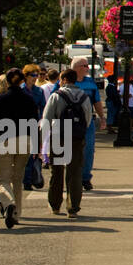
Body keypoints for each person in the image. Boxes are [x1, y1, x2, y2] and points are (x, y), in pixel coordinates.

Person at [0, 68, 40, 228]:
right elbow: (34, 123)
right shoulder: (29, 99)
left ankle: (8, 204)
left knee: (2, 179)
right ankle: (17, 213)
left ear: (7, 81)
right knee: (18, 178)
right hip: (25, 141)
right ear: (23, 80)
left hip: (2, 141)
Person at [42, 68, 92, 218]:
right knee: (75, 172)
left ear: (63, 80)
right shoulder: (84, 97)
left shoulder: (57, 96)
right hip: (77, 138)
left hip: (59, 136)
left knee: (56, 171)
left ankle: (55, 205)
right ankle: (73, 207)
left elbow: (47, 118)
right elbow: (88, 119)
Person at [69, 57, 106, 191]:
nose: (87, 68)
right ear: (77, 67)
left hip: (87, 121)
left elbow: (97, 101)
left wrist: (102, 117)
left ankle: (85, 178)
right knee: (70, 150)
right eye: (85, 66)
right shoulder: (66, 80)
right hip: (69, 122)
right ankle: (71, 177)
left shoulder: (90, 82)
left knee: (88, 150)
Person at [21, 65, 47, 190]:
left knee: (33, 154)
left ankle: (28, 180)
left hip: (34, 125)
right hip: (19, 125)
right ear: (26, 76)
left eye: (37, 75)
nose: (35, 77)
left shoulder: (39, 91)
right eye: (33, 75)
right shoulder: (19, 90)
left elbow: (43, 108)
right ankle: (23, 178)